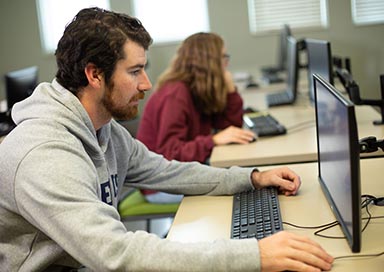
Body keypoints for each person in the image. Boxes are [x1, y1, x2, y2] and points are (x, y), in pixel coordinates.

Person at [0, 7, 333, 272]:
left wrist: (250, 178)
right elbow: (116, 254)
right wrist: (254, 255)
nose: (147, 83)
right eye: (135, 71)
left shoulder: (104, 129)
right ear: (94, 74)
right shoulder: (44, 154)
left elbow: (169, 171)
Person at [136, 32, 255, 203]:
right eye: (223, 57)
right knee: (237, 191)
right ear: (210, 62)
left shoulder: (197, 89)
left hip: (182, 173)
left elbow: (230, 129)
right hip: (160, 184)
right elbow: (169, 154)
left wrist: (230, 91)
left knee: (241, 182)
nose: (226, 63)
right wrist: (212, 141)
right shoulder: (176, 94)